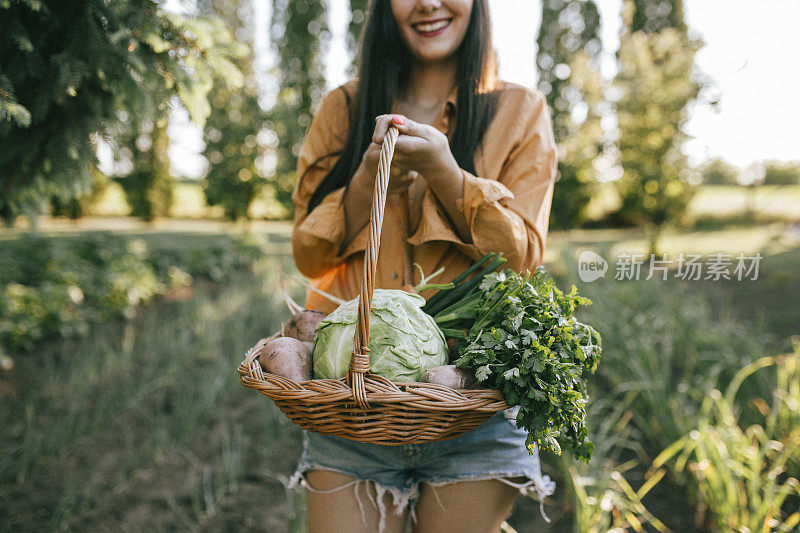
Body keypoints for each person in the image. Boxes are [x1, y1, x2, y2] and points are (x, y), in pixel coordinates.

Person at [286, 0, 558, 531]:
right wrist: (367, 178)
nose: (429, 3)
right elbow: (308, 255)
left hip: (472, 405)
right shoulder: (341, 109)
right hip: (351, 403)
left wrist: (445, 173)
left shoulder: (521, 111)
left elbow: (522, 253)